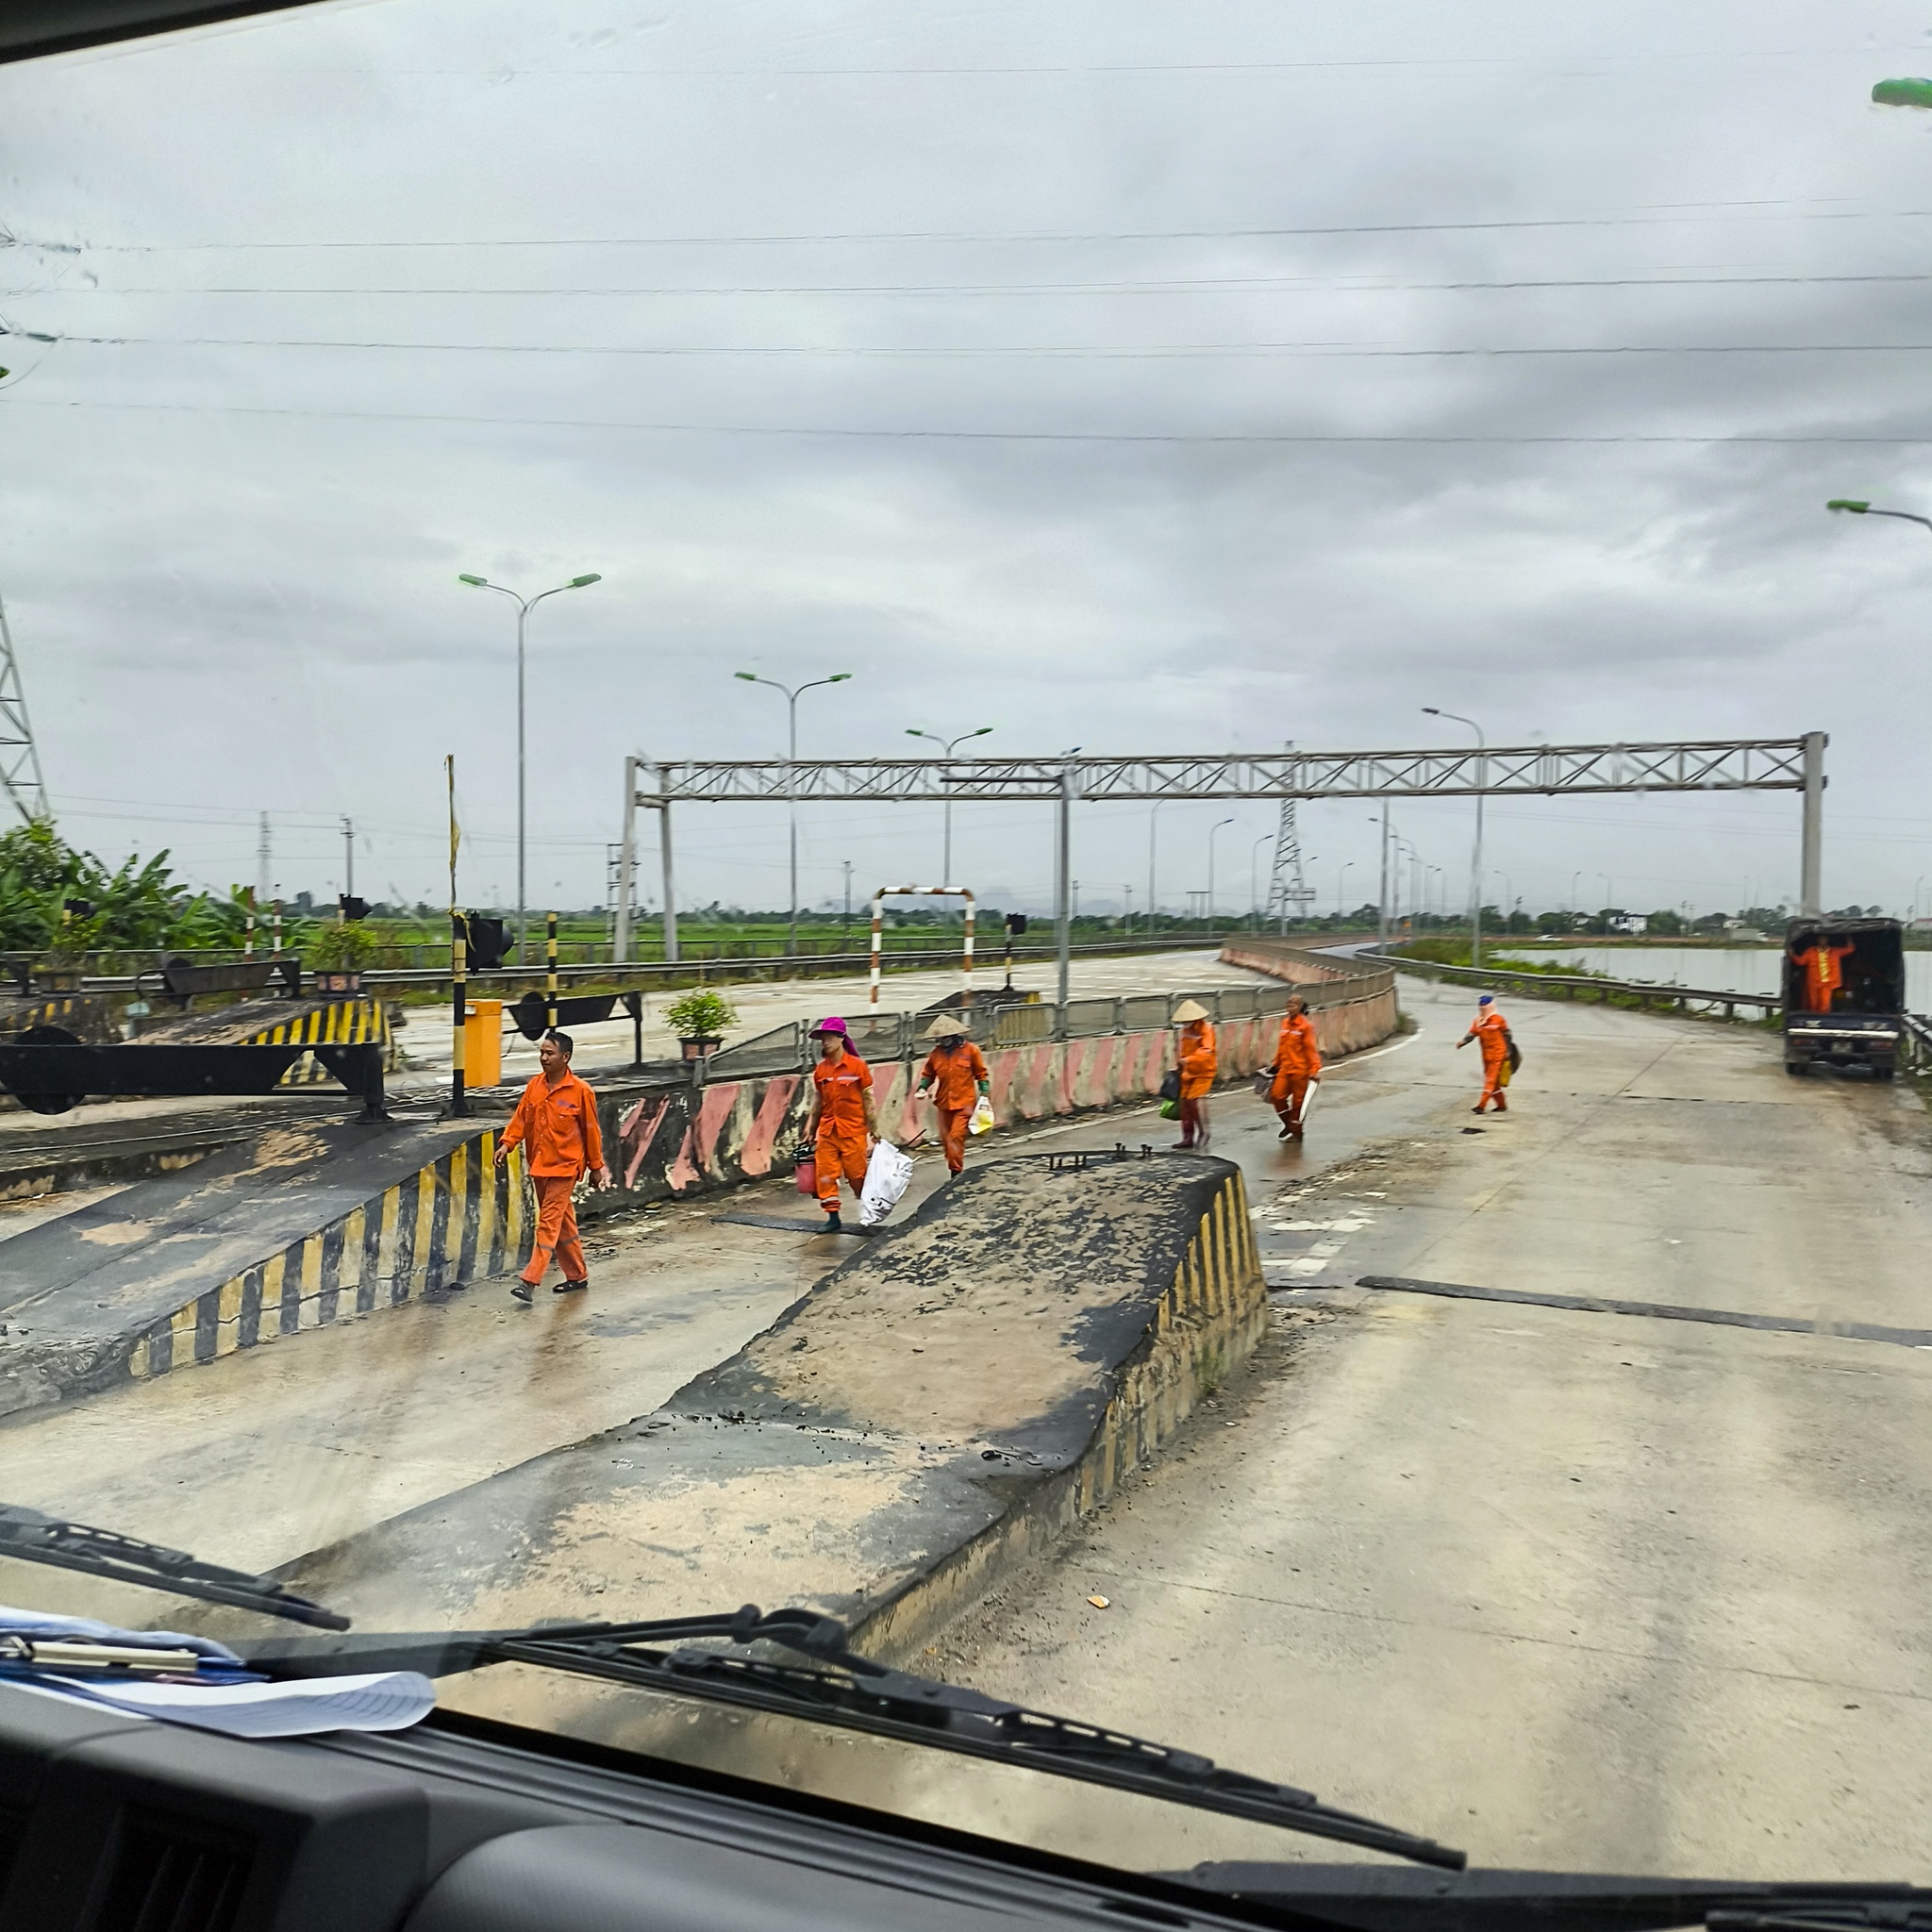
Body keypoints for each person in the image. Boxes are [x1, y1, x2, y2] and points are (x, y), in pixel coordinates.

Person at [495, 1028, 611, 1303]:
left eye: (550, 1053)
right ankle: (577, 1275)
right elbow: (522, 1119)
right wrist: (507, 1143)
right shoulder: (535, 1086)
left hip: (565, 1168)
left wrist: (596, 1167)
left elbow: (592, 1131)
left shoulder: (581, 1092)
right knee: (563, 1223)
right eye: (542, 1053)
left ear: (566, 1057)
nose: (544, 1058)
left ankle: (530, 1281)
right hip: (539, 1166)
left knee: (547, 1224)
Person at [803, 1016, 879, 1233]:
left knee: (857, 1176)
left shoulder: (857, 1067)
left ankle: (868, 1210)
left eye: (828, 1037)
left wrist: (874, 1127)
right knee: (825, 1175)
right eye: (822, 1038)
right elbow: (818, 1101)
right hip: (827, 1131)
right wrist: (810, 1128)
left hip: (852, 1130)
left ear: (841, 1038)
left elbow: (868, 1098)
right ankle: (833, 1217)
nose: (824, 1042)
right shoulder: (821, 1071)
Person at [914, 1014, 990, 1177]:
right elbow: (928, 1074)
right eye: (938, 1039)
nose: (940, 1042)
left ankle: (956, 1173)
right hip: (944, 1103)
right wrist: (922, 1088)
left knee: (956, 1137)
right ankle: (953, 1165)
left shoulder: (971, 1051)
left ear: (953, 1036)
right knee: (946, 1140)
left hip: (964, 1104)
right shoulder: (936, 1054)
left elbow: (981, 1074)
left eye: (943, 1038)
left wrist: (985, 1094)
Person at [1269, 992, 1322, 1141]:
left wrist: (1314, 1069)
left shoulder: (1305, 1026)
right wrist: (1275, 1064)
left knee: (1297, 1104)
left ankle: (1297, 1133)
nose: (1289, 1007)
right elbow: (1281, 1046)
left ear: (1299, 1007)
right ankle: (1290, 1125)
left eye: (1293, 1004)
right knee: (1276, 1096)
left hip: (1300, 1070)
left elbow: (1311, 1050)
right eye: (1288, 1004)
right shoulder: (1285, 1023)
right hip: (1285, 1068)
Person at [1172, 998, 1218, 1150]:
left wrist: (1188, 1060)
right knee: (1185, 1104)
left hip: (1204, 1072)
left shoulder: (1206, 1029)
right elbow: (1182, 1050)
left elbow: (1206, 1050)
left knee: (1195, 1102)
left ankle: (1204, 1132)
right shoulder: (1185, 1031)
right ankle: (1187, 1137)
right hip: (1187, 1072)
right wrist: (1180, 1065)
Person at [1457, 993, 1511, 1114]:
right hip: (1486, 1055)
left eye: (1485, 1005)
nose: (1482, 1008)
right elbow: (1472, 1034)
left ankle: (1481, 1105)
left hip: (1498, 1054)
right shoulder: (1478, 1021)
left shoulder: (1498, 1020)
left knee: (1490, 1081)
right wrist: (1463, 1042)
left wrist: (1508, 1051)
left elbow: (1507, 1034)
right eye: (1481, 1006)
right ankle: (1501, 1105)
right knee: (1493, 1082)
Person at [1790, 936, 1856, 1013]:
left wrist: (1848, 938)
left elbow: (1850, 949)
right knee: (1813, 1005)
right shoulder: (1811, 951)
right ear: (1817, 940)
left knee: (1825, 1006)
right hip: (1814, 983)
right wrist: (1792, 954)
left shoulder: (1835, 951)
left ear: (1827, 940)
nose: (1822, 941)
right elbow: (1800, 961)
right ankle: (1813, 1022)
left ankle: (1824, 1022)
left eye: (1824, 939)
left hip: (1828, 984)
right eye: (1820, 939)